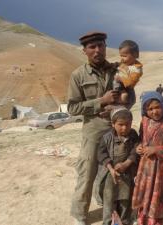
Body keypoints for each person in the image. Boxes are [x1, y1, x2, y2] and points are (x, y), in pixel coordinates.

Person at [67, 31, 119, 225]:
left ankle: (109, 206)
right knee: (87, 174)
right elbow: (73, 108)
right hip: (93, 132)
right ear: (85, 51)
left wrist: (117, 107)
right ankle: (80, 215)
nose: (97, 50)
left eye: (101, 45)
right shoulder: (78, 75)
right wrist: (101, 101)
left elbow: (129, 96)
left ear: (105, 47)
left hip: (115, 131)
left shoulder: (116, 71)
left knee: (112, 172)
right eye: (92, 47)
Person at [132, 91, 163, 225]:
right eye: (150, 109)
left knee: (156, 195)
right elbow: (141, 139)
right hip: (145, 167)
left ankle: (154, 222)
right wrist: (138, 146)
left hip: (160, 168)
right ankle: (142, 220)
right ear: (144, 110)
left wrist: (156, 149)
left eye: (157, 107)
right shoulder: (145, 121)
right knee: (144, 194)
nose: (154, 112)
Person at [97, 107, 139, 225]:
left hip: (127, 175)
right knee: (109, 201)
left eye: (128, 124)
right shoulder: (107, 137)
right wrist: (111, 168)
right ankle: (108, 222)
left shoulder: (133, 135)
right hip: (111, 175)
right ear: (113, 124)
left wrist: (126, 163)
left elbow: (135, 151)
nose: (124, 128)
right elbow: (101, 154)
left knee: (125, 200)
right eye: (120, 124)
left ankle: (125, 221)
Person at [101, 40, 142, 115]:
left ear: (135, 55)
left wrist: (121, 79)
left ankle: (117, 107)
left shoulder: (136, 69)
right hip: (118, 86)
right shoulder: (125, 63)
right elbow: (118, 65)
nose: (122, 58)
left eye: (125, 56)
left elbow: (131, 82)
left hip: (126, 89)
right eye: (121, 56)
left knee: (124, 97)